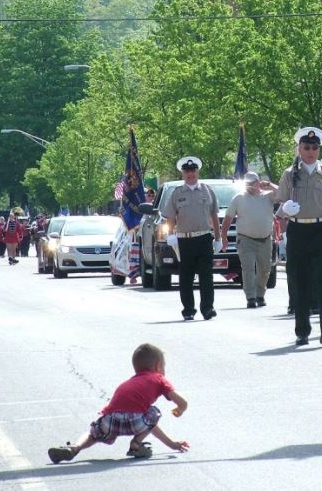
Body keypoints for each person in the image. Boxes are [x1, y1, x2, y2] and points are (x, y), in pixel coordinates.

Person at [47, 343, 189, 464]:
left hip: (110, 420)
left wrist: (171, 443)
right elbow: (181, 403)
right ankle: (136, 444)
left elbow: (150, 426)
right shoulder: (158, 378)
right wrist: (180, 410)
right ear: (158, 366)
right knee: (153, 412)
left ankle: (74, 447)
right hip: (135, 421)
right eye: (164, 366)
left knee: (93, 433)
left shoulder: (131, 382)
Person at [277, 127, 322, 346]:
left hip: (320, 230)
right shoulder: (289, 174)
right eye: (306, 147)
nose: (311, 151)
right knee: (300, 282)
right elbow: (279, 207)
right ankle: (302, 330)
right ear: (299, 148)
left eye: (315, 147)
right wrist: (285, 209)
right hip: (297, 231)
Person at [161, 156, 222, 321]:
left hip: (203, 237)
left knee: (206, 275)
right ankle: (188, 309)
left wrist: (218, 238)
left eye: (193, 171)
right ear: (183, 174)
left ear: (197, 172)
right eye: (187, 171)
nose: (190, 174)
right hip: (185, 239)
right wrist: (171, 235)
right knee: (186, 276)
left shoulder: (207, 191)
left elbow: (214, 215)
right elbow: (171, 217)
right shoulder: (176, 193)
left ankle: (208, 308)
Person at [220, 171, 278, 309]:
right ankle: (251, 297)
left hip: (265, 239)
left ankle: (260, 294)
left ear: (258, 182)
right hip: (246, 239)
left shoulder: (268, 196)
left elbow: (282, 193)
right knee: (248, 268)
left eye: (253, 183)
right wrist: (224, 237)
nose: (250, 186)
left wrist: (269, 185)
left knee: (265, 269)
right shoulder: (239, 198)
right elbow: (228, 219)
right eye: (248, 184)